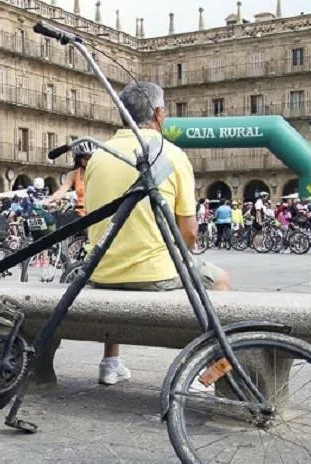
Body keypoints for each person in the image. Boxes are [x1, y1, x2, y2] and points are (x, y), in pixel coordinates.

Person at [84, 80, 230, 385]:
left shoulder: (98, 155)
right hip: (153, 275)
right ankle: (204, 375)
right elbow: (188, 231)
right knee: (219, 279)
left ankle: (110, 362)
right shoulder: (171, 153)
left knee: (120, 257)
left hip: (100, 272)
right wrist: (184, 256)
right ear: (159, 114)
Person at [47, 141, 93, 216]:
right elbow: (62, 190)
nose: (88, 161)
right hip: (81, 214)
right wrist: (49, 200)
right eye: (85, 158)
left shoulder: (98, 172)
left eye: (91, 158)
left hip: (98, 213)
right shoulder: (74, 174)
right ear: (79, 158)